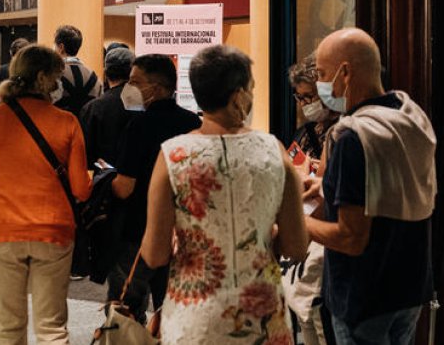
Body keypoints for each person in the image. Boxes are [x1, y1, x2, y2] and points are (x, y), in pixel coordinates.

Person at [142, 44, 308, 345]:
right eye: (251, 88)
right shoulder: (275, 153)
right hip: (262, 315)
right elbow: (296, 247)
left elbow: (153, 255)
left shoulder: (173, 155)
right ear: (237, 96)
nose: (253, 95)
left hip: (195, 317)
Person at [306, 28, 437, 345]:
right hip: (410, 288)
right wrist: (327, 184)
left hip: (365, 296)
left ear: (345, 72)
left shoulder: (353, 137)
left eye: (323, 74)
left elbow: (351, 238)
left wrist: (297, 222)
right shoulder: (411, 115)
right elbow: (386, 186)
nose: (320, 84)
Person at [0, 44, 91, 345]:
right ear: (48, 79)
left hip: (1, 229)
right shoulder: (67, 122)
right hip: (53, 230)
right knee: (51, 328)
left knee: (9, 326)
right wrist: (91, 177)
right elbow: (80, 190)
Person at [107, 54, 200, 321]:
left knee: (127, 309)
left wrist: (105, 184)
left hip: (138, 229)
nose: (129, 88)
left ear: (156, 88)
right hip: (181, 230)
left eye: (135, 82)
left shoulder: (138, 125)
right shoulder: (193, 123)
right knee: (172, 307)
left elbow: (124, 187)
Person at [282, 54, 340, 345]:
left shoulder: (344, 132)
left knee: (320, 316)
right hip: (306, 228)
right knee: (304, 313)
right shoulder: (304, 133)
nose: (306, 104)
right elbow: (291, 170)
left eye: (311, 97)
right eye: (301, 97)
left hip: (330, 232)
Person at [79, 45, 136, 167]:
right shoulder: (146, 104)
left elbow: (85, 154)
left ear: (106, 73)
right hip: (141, 181)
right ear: (132, 73)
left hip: (104, 179)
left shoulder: (92, 108)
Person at [52, 25, 101, 117]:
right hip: (85, 129)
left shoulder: (52, 75)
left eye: (54, 45)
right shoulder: (94, 77)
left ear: (61, 47)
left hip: (59, 127)